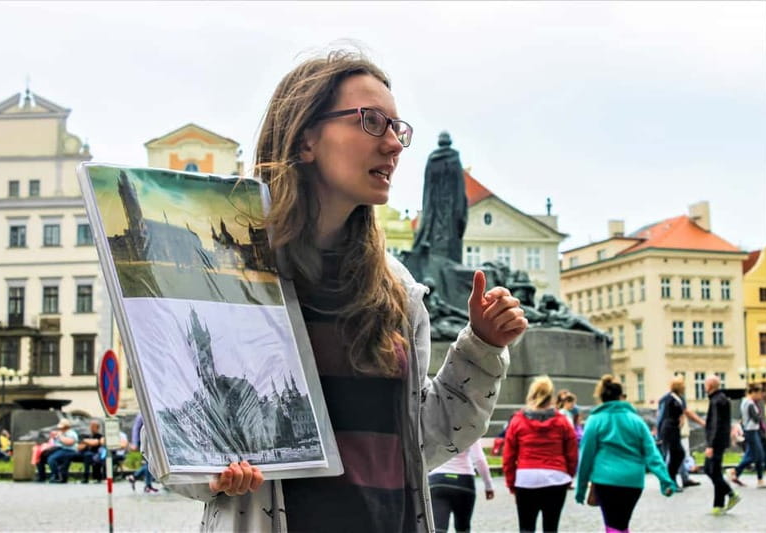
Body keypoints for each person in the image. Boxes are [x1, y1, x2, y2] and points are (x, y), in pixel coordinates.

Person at [159, 49, 528, 532]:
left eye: (398, 129)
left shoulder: (397, 290)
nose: (394, 145)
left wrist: (482, 346)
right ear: (306, 138)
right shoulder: (229, 277)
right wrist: (213, 473)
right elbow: (171, 439)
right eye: (372, 122)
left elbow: (427, 440)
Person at [575, 375, 675, 533]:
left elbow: (586, 456)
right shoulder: (636, 421)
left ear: (601, 397)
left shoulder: (595, 421)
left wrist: (580, 489)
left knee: (613, 523)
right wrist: (665, 480)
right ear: (621, 397)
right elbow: (652, 454)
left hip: (605, 480)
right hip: (632, 481)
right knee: (621, 523)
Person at [504, 376, 577, 533]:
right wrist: (568, 475)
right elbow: (572, 452)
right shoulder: (562, 421)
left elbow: (509, 456)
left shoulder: (517, 421)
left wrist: (511, 483)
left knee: (526, 527)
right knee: (551, 528)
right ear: (551, 396)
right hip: (556, 477)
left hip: (526, 478)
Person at [656, 376, 705, 490]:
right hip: (668, 428)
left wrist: (682, 419)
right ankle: (670, 481)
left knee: (677, 454)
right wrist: (658, 433)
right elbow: (661, 415)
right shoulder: (668, 398)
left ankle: (676, 480)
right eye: (683, 385)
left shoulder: (679, 398)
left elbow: (683, 412)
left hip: (674, 428)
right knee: (676, 454)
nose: (684, 387)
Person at [703, 375, 740, 515]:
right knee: (712, 470)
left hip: (716, 442)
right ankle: (718, 504)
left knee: (712, 470)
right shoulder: (719, 398)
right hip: (719, 441)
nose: (704, 386)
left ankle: (730, 495)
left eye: (705, 384)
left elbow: (716, 424)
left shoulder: (717, 400)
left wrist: (710, 445)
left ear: (710, 386)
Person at [730, 383, 766, 488]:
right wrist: (760, 415)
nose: (760, 396)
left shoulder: (745, 402)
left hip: (751, 431)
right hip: (751, 431)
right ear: (753, 392)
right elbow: (756, 418)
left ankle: (737, 474)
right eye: (759, 393)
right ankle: (736, 471)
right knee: (758, 455)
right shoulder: (749, 403)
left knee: (751, 454)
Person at [128, 413, 158, 493]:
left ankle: (135, 477)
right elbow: (136, 428)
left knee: (150, 462)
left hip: (152, 441)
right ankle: (147, 486)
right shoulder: (142, 413)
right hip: (145, 442)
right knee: (150, 462)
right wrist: (134, 443)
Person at [46, 418, 79, 483]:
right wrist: (53, 437)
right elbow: (54, 442)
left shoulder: (71, 433)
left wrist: (60, 436)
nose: (60, 429)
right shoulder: (60, 433)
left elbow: (70, 443)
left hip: (69, 450)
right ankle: (59, 476)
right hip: (59, 449)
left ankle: (56, 475)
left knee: (52, 459)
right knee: (47, 457)